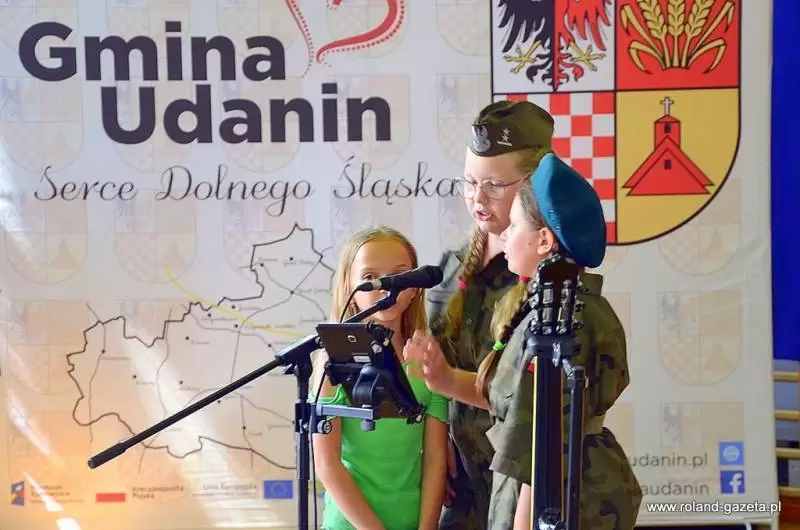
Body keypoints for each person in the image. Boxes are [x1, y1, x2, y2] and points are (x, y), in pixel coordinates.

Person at [407, 154, 643, 529]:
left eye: (514, 225)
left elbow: (540, 450)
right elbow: (515, 403)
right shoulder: (553, 310)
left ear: (543, 241)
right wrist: (447, 380)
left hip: (555, 497)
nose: (503, 235)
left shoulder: (560, 323)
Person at [425, 100, 555, 529]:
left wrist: (448, 381)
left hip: (521, 487)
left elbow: (534, 402)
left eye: (496, 185)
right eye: (469, 183)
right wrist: (438, 442)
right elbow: (430, 377)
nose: (478, 198)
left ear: (534, 184)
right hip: (462, 486)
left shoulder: (551, 281)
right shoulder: (450, 269)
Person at [311, 226, 450, 530]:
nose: (386, 288)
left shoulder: (429, 359)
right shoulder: (334, 362)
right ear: (349, 286)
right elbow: (327, 464)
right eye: (370, 277)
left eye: (398, 276)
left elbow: (435, 459)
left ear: (415, 287)